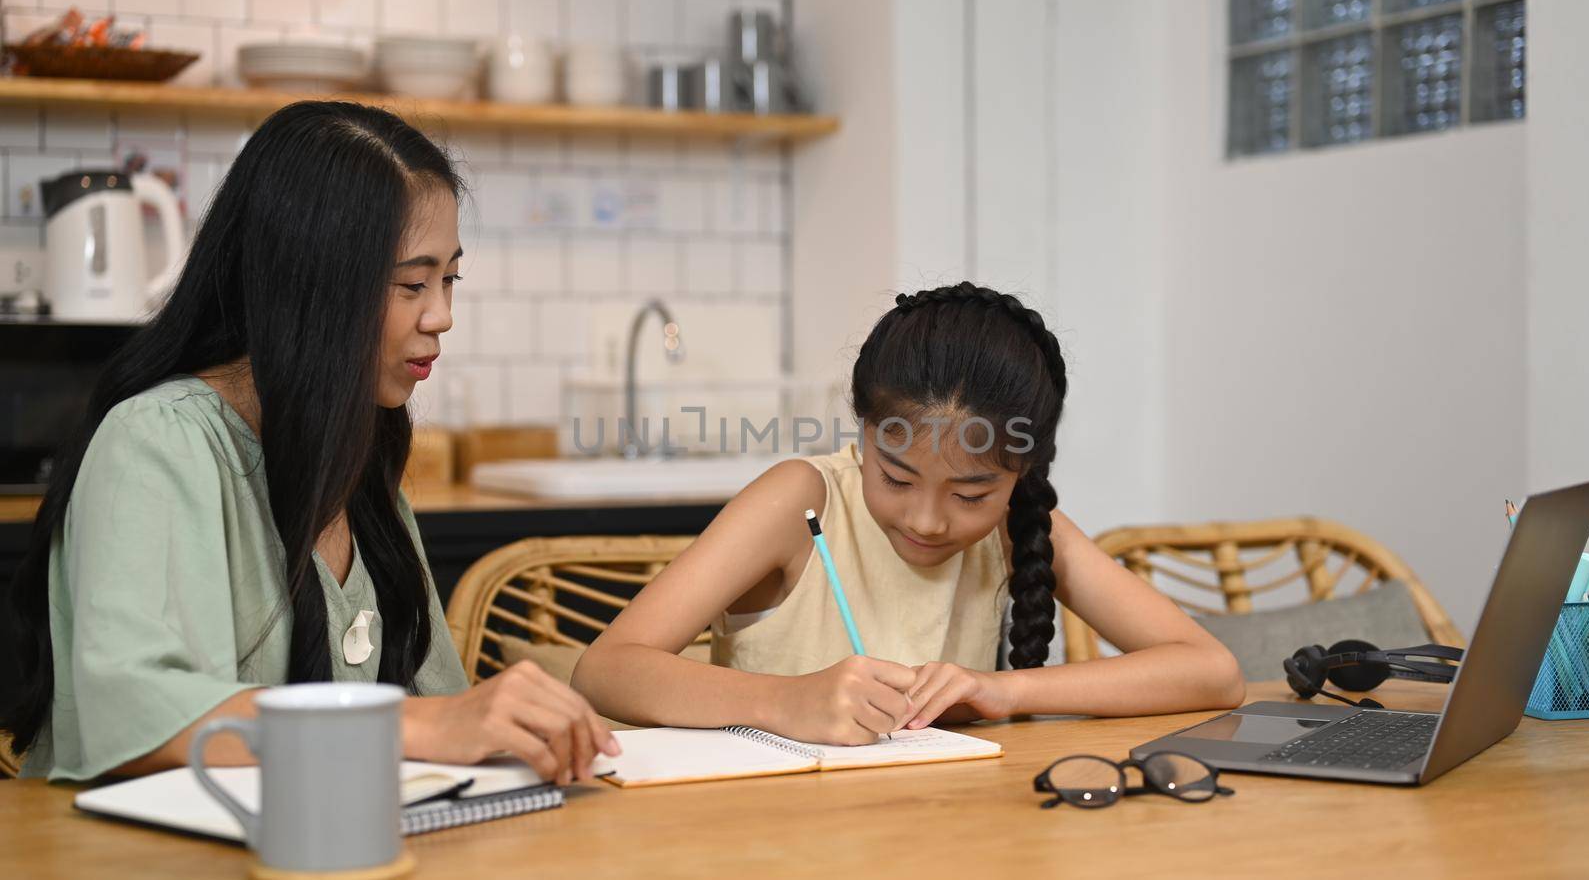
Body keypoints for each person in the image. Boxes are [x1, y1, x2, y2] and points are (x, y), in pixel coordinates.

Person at [1, 101, 617, 783]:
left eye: (449, 279)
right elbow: (134, 717)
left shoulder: (358, 463)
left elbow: (444, 717)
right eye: (414, 283)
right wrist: (420, 724)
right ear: (314, 285)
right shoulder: (157, 442)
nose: (442, 314)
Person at [572, 282, 1245, 744]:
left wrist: (1002, 691)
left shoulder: (1020, 523)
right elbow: (606, 668)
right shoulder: (800, 499)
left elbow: (1212, 671)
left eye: (972, 494)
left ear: (1022, 473)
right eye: (896, 476)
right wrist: (784, 700)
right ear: (864, 432)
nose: (928, 519)